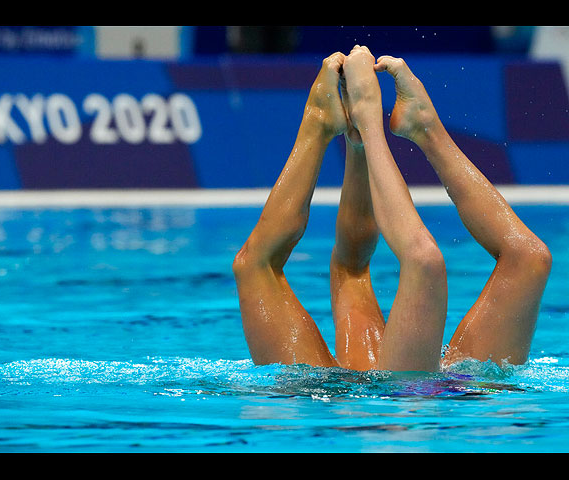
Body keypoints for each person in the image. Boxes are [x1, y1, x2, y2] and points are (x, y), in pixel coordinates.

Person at [232, 45, 552, 372]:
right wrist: (366, 124)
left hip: (365, 394)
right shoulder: (448, 392)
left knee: (258, 265)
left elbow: (382, 259)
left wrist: (365, 127)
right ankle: (424, 128)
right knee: (527, 259)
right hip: (429, 392)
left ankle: (321, 121)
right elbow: (411, 259)